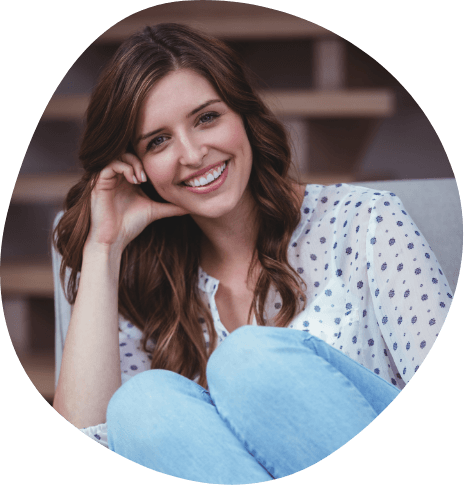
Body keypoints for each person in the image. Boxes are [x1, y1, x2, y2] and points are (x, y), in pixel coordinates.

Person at [52, 23, 452, 483]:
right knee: (141, 404)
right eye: (157, 141)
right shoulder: (147, 280)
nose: (193, 153)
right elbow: (85, 451)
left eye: (206, 118)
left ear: (243, 116)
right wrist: (104, 246)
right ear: (136, 167)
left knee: (247, 362)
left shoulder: (363, 220)